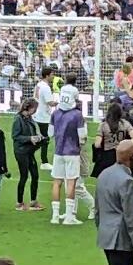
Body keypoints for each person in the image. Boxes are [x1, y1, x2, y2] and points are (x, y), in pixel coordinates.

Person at [95, 140, 133, 265]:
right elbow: (132, 218)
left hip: (106, 237)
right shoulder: (127, 181)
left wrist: (102, 230)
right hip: (121, 240)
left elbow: (97, 209)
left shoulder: (104, 174)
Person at [48, 81, 87, 225]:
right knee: (71, 182)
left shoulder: (55, 113)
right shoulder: (77, 115)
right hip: (72, 152)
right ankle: (69, 216)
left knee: (56, 182)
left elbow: (50, 133)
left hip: (58, 152)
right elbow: (82, 136)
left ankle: (55, 216)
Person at [11, 98, 45, 211]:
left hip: (29, 150)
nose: (35, 111)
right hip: (21, 151)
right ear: (30, 108)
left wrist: (38, 137)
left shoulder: (29, 118)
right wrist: (29, 138)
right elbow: (15, 136)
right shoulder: (18, 120)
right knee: (24, 176)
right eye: (35, 108)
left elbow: (33, 132)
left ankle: (33, 201)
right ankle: (19, 203)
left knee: (35, 175)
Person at [92, 102, 133, 178]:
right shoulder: (125, 123)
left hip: (108, 156)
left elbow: (97, 144)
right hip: (122, 153)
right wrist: (125, 144)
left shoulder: (103, 125)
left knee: (107, 179)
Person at [33, 67, 57, 171]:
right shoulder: (46, 87)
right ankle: (44, 162)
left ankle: (40, 159)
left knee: (42, 138)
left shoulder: (39, 84)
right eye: (52, 74)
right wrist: (59, 102)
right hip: (43, 116)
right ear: (47, 75)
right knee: (45, 139)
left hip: (38, 114)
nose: (53, 76)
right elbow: (50, 103)